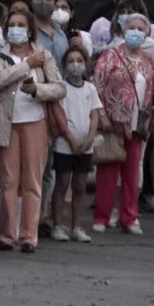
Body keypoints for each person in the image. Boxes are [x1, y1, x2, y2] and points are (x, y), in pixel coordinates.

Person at [0, 6, 66, 252]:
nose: (16, 30)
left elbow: (59, 87)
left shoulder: (44, 56)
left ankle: (28, 236)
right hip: (6, 123)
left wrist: (37, 90)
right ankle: (6, 235)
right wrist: (26, 65)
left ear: (30, 29)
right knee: (8, 180)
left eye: (21, 25)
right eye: (12, 25)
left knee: (32, 181)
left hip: (35, 121)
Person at [90, 12, 154, 234]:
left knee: (132, 172)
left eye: (141, 28)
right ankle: (102, 216)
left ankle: (129, 216)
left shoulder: (149, 61)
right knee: (108, 170)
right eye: (132, 28)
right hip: (113, 122)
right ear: (124, 30)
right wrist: (101, 116)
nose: (136, 32)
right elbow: (97, 86)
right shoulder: (110, 56)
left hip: (137, 123)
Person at [51, 45, 102, 242]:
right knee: (63, 183)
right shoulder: (61, 88)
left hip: (85, 145)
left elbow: (95, 114)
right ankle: (58, 225)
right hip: (65, 144)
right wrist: (71, 139)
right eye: (71, 61)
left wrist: (90, 138)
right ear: (64, 65)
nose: (75, 65)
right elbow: (60, 117)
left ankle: (77, 226)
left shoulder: (90, 88)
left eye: (79, 61)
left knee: (80, 185)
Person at [28, 0, 70, 68]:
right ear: (31, 2)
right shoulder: (26, 33)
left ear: (54, 4)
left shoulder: (61, 35)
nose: (43, 2)